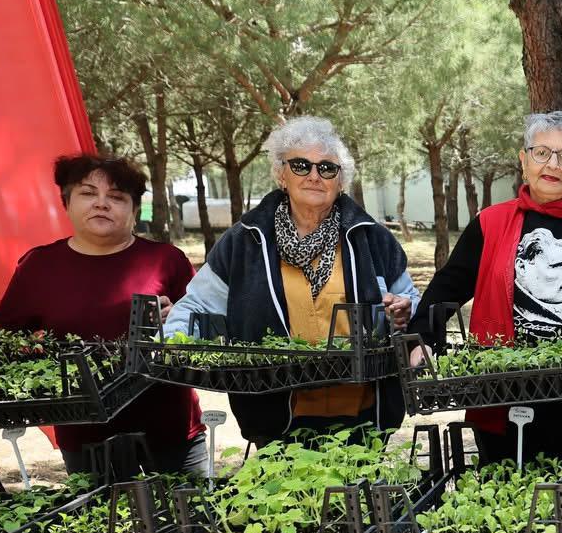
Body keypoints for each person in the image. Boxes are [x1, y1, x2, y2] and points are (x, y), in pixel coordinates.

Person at [409, 112, 562, 463]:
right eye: (542, 153)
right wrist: (422, 339)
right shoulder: (490, 224)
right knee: (509, 500)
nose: (552, 164)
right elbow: (446, 289)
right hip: (504, 396)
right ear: (523, 160)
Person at [163, 117, 417, 445]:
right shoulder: (244, 241)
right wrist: (169, 347)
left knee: (358, 492)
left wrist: (405, 310)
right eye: (300, 165)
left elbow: (410, 304)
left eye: (327, 168)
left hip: (364, 417)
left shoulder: (373, 238)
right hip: (275, 416)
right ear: (282, 175)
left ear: (341, 182)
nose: (314, 175)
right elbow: (198, 304)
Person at [0, 154, 208, 475]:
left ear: (134, 211)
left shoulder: (166, 260)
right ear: (67, 203)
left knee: (191, 521)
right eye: (88, 193)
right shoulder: (40, 266)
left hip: (170, 430)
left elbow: (205, 329)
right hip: (86, 434)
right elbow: (0, 335)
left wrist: (178, 319)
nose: (101, 204)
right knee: (102, 523)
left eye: (116, 197)